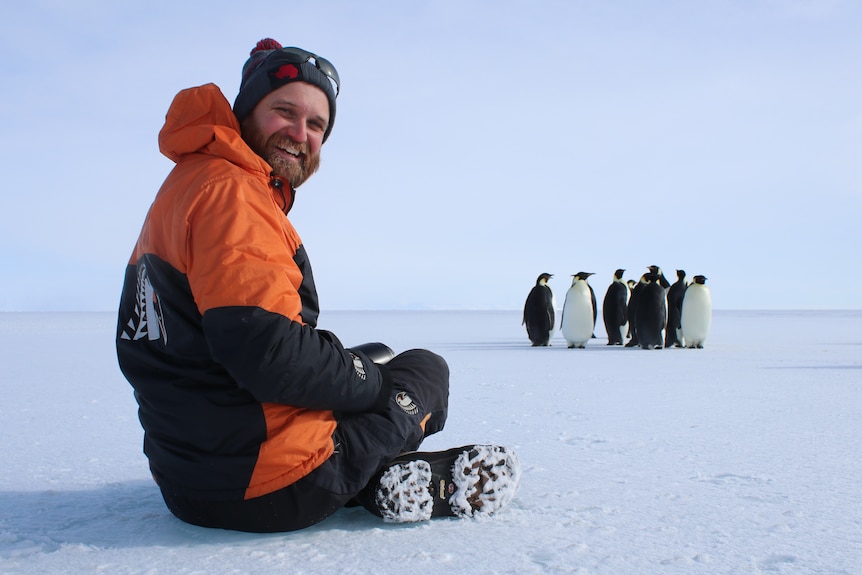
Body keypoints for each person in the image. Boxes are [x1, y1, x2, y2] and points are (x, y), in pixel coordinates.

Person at [115, 38, 520, 533]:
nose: (299, 133)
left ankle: (368, 468)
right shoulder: (234, 195)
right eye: (283, 111)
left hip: (187, 479)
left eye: (315, 124)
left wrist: (353, 369)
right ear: (245, 112)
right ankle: (370, 478)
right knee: (421, 370)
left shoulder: (192, 183)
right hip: (273, 485)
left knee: (374, 355)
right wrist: (374, 386)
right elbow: (269, 353)